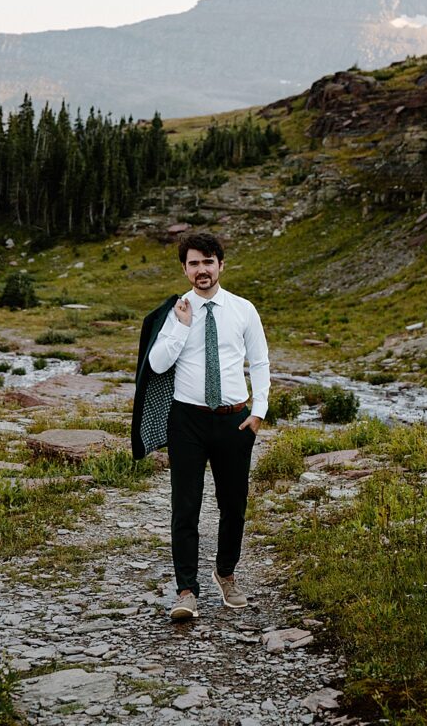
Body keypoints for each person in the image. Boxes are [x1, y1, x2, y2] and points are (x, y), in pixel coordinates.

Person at [142, 230, 271, 621]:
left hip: (235, 420)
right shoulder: (176, 312)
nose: (202, 269)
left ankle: (226, 574)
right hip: (188, 421)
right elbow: (158, 364)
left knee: (234, 506)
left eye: (208, 262)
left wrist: (259, 411)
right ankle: (186, 591)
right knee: (186, 507)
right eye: (194, 263)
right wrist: (181, 326)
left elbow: (260, 362)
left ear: (220, 265)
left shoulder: (243, 309)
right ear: (185, 269)